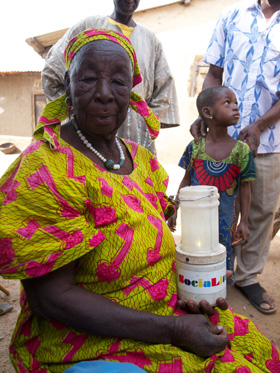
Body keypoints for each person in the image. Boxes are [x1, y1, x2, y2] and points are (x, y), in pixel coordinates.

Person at [0, 28, 279, 373]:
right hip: (88, 342)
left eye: (118, 81)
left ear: (131, 96)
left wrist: (192, 293)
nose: (104, 94)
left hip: (162, 314)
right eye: (88, 79)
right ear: (67, 90)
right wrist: (174, 330)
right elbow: (51, 299)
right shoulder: (44, 170)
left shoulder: (139, 159)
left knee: (254, 352)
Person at [190, 0, 280, 315]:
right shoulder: (232, 16)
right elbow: (214, 72)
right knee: (213, 209)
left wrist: (259, 125)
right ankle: (214, 269)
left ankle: (247, 277)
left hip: (269, 140)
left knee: (260, 211)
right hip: (220, 139)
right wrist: (205, 114)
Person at [41, 0, 180, 155]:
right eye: (90, 79)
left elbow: (165, 87)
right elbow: (52, 71)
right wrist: (75, 109)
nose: (105, 94)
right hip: (84, 136)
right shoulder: (89, 25)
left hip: (136, 137)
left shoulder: (150, 39)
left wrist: (144, 120)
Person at [168, 86, 256, 283]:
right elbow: (187, 180)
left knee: (223, 255)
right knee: (195, 252)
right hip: (195, 222)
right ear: (208, 112)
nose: (235, 107)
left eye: (236, 103)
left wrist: (244, 222)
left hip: (227, 220)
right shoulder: (195, 147)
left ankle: (218, 292)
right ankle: (196, 286)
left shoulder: (241, 150)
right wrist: (174, 207)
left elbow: (245, 188)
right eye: (228, 102)